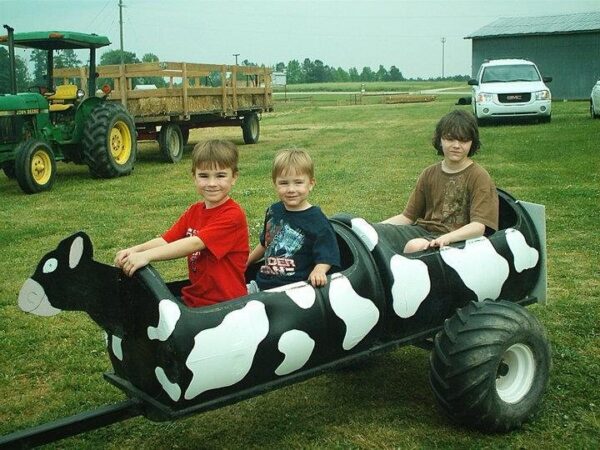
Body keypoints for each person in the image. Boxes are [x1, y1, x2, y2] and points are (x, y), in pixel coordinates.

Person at [114, 139, 249, 307]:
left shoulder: (233, 215)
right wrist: (135, 250)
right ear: (194, 177)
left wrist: (146, 256)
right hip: (195, 298)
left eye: (220, 175)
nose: (212, 183)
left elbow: (194, 243)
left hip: (226, 304)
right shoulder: (194, 211)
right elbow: (165, 240)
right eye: (204, 176)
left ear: (234, 177)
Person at [382, 109, 498, 253]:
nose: (456, 145)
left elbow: (479, 227)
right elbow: (407, 217)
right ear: (440, 140)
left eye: (463, 140)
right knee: (376, 235)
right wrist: (374, 227)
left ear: (472, 143)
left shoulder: (479, 176)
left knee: (414, 246)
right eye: (450, 139)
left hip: (458, 241)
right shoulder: (429, 173)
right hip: (423, 231)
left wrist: (447, 238)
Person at [247, 149, 340, 290]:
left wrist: (319, 271)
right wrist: (247, 261)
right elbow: (265, 244)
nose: (291, 189)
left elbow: (327, 255)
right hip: (262, 284)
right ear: (275, 184)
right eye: (284, 183)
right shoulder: (274, 211)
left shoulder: (317, 219)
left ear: (311, 184)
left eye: (298, 182)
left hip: (294, 289)